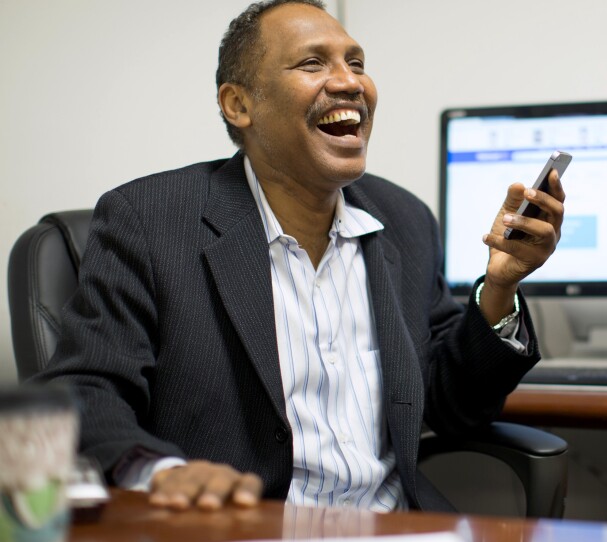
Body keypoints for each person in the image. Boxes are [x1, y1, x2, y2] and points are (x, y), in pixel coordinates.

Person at [36, 0, 565, 513]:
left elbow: (452, 407)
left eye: (356, 63)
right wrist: (163, 473)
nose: (350, 82)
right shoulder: (150, 220)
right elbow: (84, 391)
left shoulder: (403, 219)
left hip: (392, 526)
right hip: (241, 526)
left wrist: (500, 288)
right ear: (238, 104)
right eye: (313, 63)